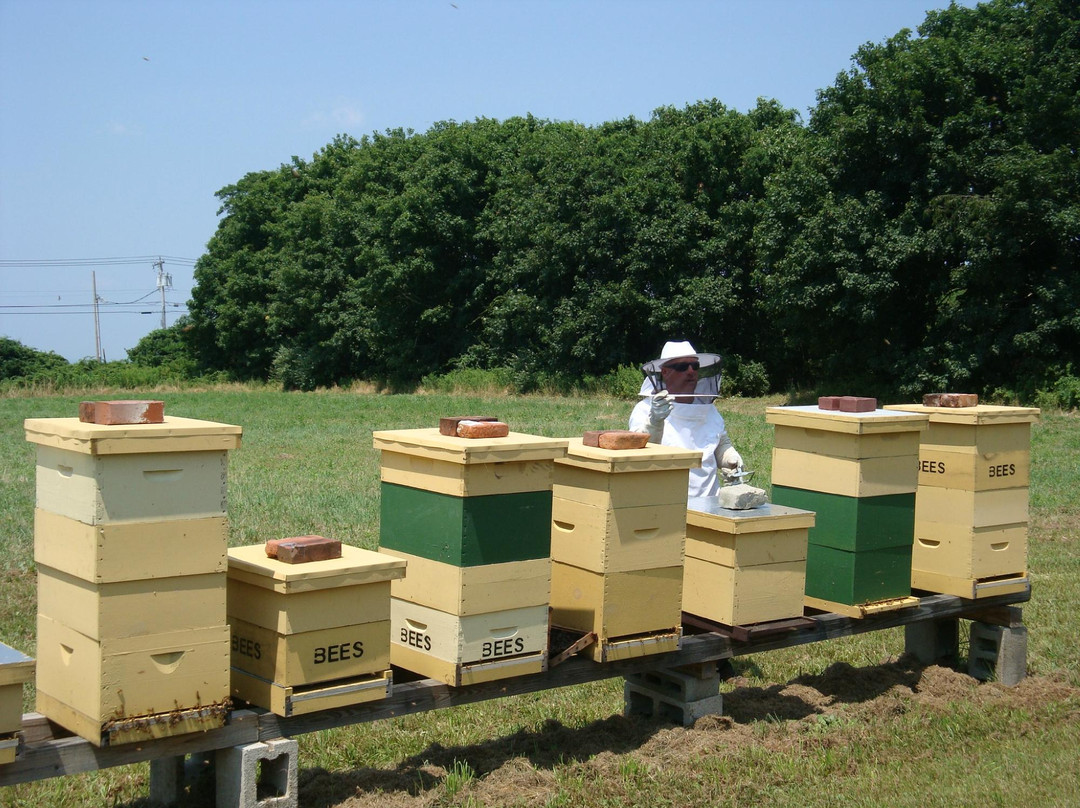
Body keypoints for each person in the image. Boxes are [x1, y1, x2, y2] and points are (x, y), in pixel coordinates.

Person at [629, 340, 743, 498]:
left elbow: (719, 443)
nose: (691, 371)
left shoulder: (708, 409)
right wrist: (654, 422)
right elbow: (639, 456)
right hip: (666, 504)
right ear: (665, 372)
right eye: (682, 367)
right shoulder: (644, 410)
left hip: (710, 503)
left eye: (694, 366)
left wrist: (730, 458)